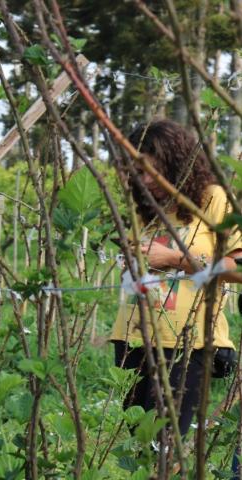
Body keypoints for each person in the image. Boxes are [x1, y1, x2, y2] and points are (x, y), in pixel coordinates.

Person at [110, 119, 242, 437]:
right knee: (141, 446)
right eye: (134, 172)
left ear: (175, 163)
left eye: (149, 171)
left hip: (188, 345)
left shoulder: (213, 199)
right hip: (134, 340)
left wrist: (173, 260)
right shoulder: (144, 208)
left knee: (167, 448)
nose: (142, 180)